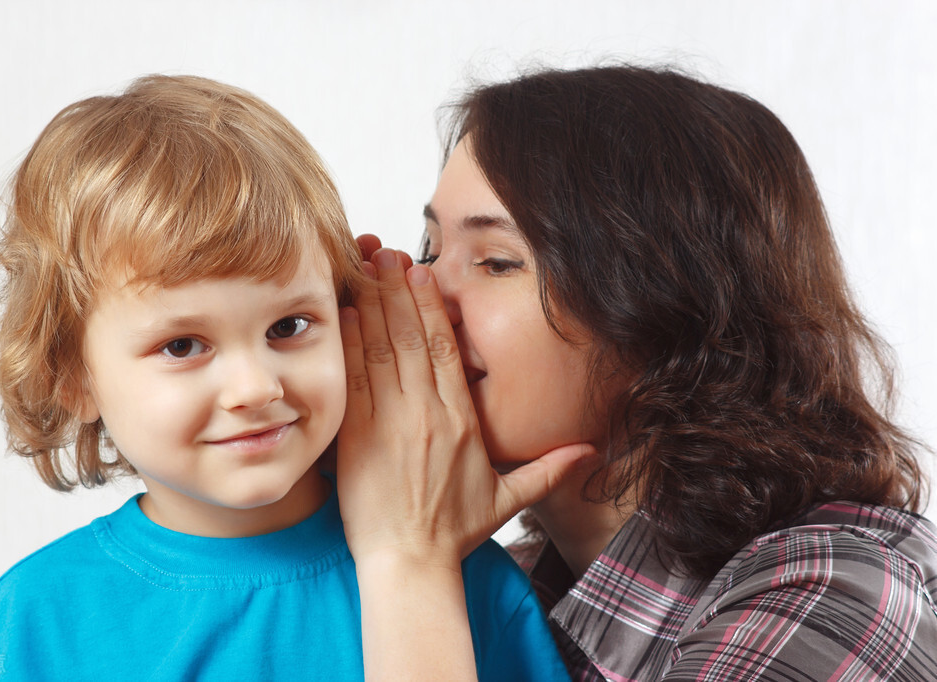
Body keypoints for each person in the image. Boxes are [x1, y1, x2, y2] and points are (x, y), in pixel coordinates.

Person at [0, 75, 569, 681]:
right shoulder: (35, 619)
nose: (257, 388)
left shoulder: (465, 582)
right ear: (72, 377)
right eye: (182, 344)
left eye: (289, 327)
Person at [337, 65, 937, 681]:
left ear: (665, 312)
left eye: (496, 262)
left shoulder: (834, 600)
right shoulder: (493, 588)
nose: (422, 297)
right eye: (431, 249)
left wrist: (409, 563)